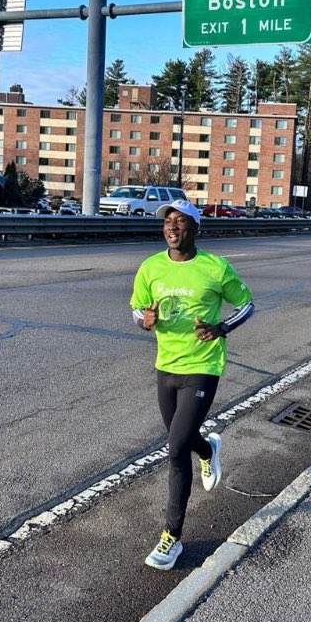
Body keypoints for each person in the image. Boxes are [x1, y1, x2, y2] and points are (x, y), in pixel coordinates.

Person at [130, 199, 254, 570]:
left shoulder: (215, 268)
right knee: (183, 442)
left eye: (181, 221)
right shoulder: (151, 267)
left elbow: (246, 304)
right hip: (166, 366)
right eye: (168, 221)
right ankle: (208, 448)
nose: (172, 227)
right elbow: (137, 309)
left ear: (196, 228)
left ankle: (172, 537)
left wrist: (222, 328)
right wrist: (145, 320)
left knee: (174, 449)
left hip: (203, 365)